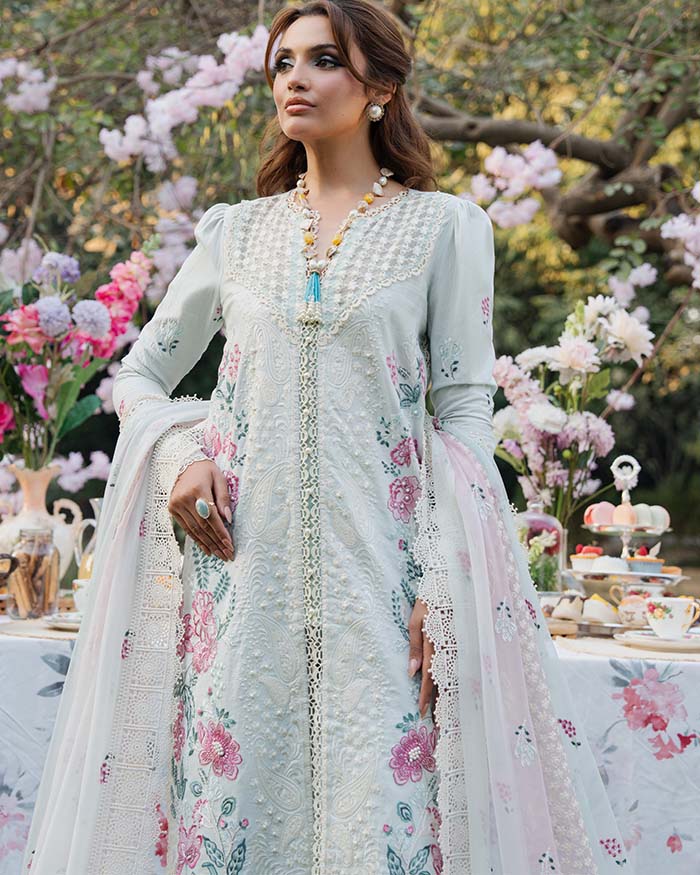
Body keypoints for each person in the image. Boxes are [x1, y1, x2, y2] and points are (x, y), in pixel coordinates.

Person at [23, 1, 629, 873]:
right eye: (282, 63)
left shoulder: (444, 228)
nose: (295, 79)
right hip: (241, 594)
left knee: (383, 831)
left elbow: (464, 413)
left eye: (323, 60)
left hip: (387, 588)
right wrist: (182, 456)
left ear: (380, 86)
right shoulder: (237, 232)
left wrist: (447, 583)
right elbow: (140, 376)